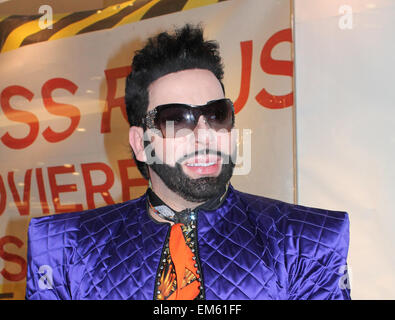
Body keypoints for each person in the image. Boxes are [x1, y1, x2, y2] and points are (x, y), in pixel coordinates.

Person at [25, 24, 351, 300]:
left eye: (216, 113)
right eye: (176, 119)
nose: (204, 134)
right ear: (141, 143)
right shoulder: (65, 248)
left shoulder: (305, 242)